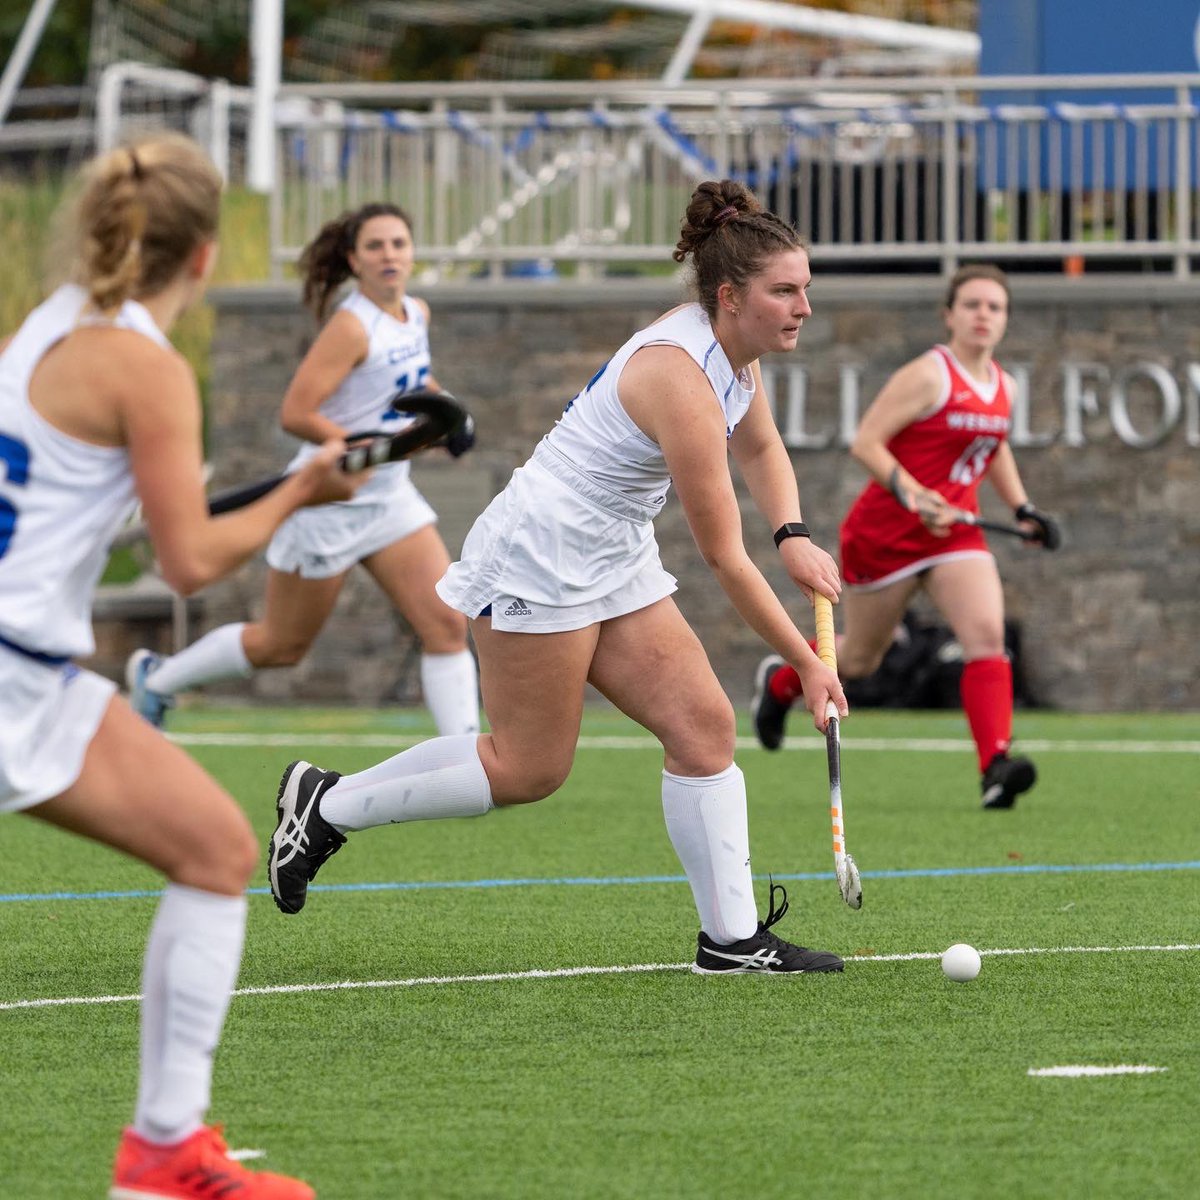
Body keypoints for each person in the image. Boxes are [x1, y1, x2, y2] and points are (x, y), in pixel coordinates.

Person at [265, 179, 850, 976]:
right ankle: (323, 805)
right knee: (528, 768)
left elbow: (761, 449)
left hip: (613, 547)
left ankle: (731, 939)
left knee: (704, 731)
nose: (802, 307)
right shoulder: (680, 376)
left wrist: (794, 535)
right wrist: (808, 662)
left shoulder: (735, 359)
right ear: (729, 296)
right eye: (785, 291)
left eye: (804, 289)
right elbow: (721, 557)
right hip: (543, 548)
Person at [0, 133, 358, 1199]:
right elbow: (189, 558)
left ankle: (165, 1151)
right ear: (204, 258)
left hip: (34, 671)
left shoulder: (49, 325)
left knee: (213, 845)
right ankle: (163, 1150)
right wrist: (299, 493)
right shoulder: (149, 370)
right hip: (15, 673)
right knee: (212, 851)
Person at [126, 202, 479, 736]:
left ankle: (463, 762)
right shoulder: (351, 328)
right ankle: (157, 679)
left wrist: (447, 416)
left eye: (399, 244)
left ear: (412, 253)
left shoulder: (416, 313)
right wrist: (344, 444)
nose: (389, 256)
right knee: (280, 646)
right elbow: (296, 412)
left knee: (448, 624)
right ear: (354, 261)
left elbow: (414, 384)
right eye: (376, 246)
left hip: (388, 496)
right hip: (327, 501)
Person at [751, 264, 1061, 809]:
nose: (983, 315)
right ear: (949, 315)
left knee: (986, 635)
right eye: (972, 305)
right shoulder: (929, 375)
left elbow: (995, 446)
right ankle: (780, 684)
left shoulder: (1003, 386)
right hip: (887, 533)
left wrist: (1023, 508)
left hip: (954, 536)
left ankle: (996, 765)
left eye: (994, 307)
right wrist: (914, 494)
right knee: (863, 659)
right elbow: (867, 442)